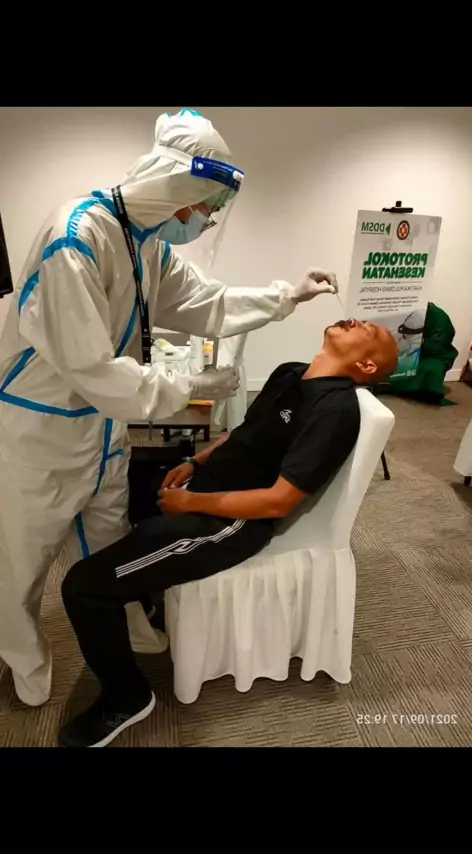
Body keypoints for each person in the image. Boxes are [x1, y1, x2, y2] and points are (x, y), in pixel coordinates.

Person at [0, 108, 340, 708]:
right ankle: (23, 660)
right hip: (41, 431)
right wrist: (189, 385)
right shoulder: (74, 239)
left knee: (109, 537)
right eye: (207, 204)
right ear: (175, 186)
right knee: (20, 561)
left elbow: (206, 302)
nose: (209, 218)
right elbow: (93, 369)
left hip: (103, 430)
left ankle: (130, 627)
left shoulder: (144, 244)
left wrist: (287, 296)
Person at [58, 317, 398, 747]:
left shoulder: (335, 411)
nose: (356, 321)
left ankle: (127, 697)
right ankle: (144, 603)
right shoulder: (290, 372)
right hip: (204, 487)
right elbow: (242, 435)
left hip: (233, 523)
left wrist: (191, 504)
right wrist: (194, 464)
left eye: (368, 331)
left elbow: (278, 501)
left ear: (366, 366)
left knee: (83, 587)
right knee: (103, 490)